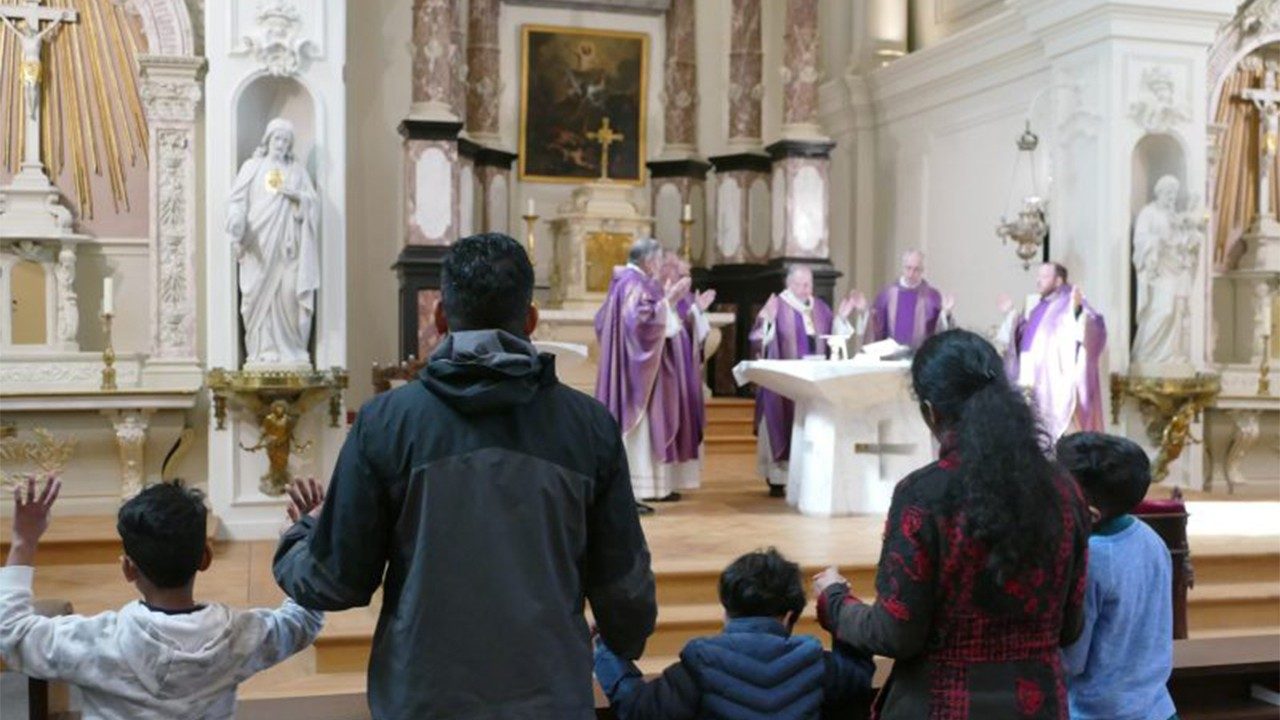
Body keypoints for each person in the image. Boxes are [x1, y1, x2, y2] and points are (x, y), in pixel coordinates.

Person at [274, 232, 656, 720]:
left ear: (439, 317)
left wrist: (300, 535)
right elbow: (623, 585)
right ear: (531, 320)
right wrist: (623, 639)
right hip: (548, 694)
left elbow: (337, 580)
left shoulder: (386, 422)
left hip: (424, 696)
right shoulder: (590, 427)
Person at [814, 329, 1090, 719]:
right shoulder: (1064, 491)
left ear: (931, 411)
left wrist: (835, 601)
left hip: (942, 704)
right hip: (1038, 703)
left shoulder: (924, 495)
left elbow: (897, 633)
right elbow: (1070, 627)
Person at [0, 476, 324, 720]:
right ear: (205, 558)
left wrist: (23, 541)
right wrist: (302, 539)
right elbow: (304, 619)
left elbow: (12, 632)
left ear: (128, 568)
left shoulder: (97, 641)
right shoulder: (240, 636)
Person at [595, 547, 875, 719]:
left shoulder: (700, 661)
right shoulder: (814, 660)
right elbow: (860, 675)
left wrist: (605, 648)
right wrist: (835, 598)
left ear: (726, 610)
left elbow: (636, 708)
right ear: (791, 616)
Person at [1057, 432, 1177, 720]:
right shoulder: (1149, 537)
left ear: (1090, 513)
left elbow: (1073, 662)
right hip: (1156, 707)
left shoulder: (1091, 561)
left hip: (1096, 712)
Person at [594, 237, 697, 507]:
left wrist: (665, 304)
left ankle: (651, 489)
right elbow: (640, 325)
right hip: (634, 375)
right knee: (638, 433)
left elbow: (604, 320)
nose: (661, 265)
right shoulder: (633, 284)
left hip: (635, 370)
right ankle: (635, 492)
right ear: (648, 260)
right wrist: (669, 302)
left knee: (646, 433)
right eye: (659, 260)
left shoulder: (627, 282)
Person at [750, 265, 856, 495]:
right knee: (781, 421)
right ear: (789, 284)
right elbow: (757, 340)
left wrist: (841, 318)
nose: (804, 289)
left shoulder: (820, 308)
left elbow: (833, 337)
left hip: (812, 380)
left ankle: (808, 475)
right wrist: (767, 321)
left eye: (808, 284)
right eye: (799, 284)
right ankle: (778, 479)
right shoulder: (777, 305)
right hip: (782, 383)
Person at [227, 118, 320, 367]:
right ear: (268, 140)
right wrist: (236, 221)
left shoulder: (297, 171)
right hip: (258, 246)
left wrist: (297, 196)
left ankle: (293, 349)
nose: (280, 144)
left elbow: (312, 204)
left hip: (289, 249)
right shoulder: (252, 167)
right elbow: (236, 201)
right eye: (277, 139)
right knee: (258, 298)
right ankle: (262, 349)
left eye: (286, 141)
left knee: (290, 293)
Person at [997, 262, 1108, 441]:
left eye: (1044, 277)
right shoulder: (1039, 307)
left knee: (1062, 442)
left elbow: (1094, 326)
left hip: (1058, 386)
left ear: (1058, 281)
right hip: (1034, 386)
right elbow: (1024, 336)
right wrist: (1011, 314)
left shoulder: (1070, 301)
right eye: (1038, 276)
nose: (1038, 281)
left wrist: (1078, 313)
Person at [652, 250, 716, 502]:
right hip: (663, 375)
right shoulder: (656, 292)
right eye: (682, 273)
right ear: (666, 270)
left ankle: (674, 481)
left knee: (682, 423)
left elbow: (690, 332)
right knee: (666, 421)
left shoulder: (684, 296)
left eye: (688, 275)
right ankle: (660, 483)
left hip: (682, 372)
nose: (686, 280)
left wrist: (697, 311)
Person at [850, 249, 955, 350]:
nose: (911, 274)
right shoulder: (887, 294)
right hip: (891, 357)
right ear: (902, 268)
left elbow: (941, 333)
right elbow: (876, 325)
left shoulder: (932, 297)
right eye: (908, 268)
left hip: (921, 356)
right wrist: (865, 310)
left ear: (922, 270)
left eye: (916, 269)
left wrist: (946, 314)